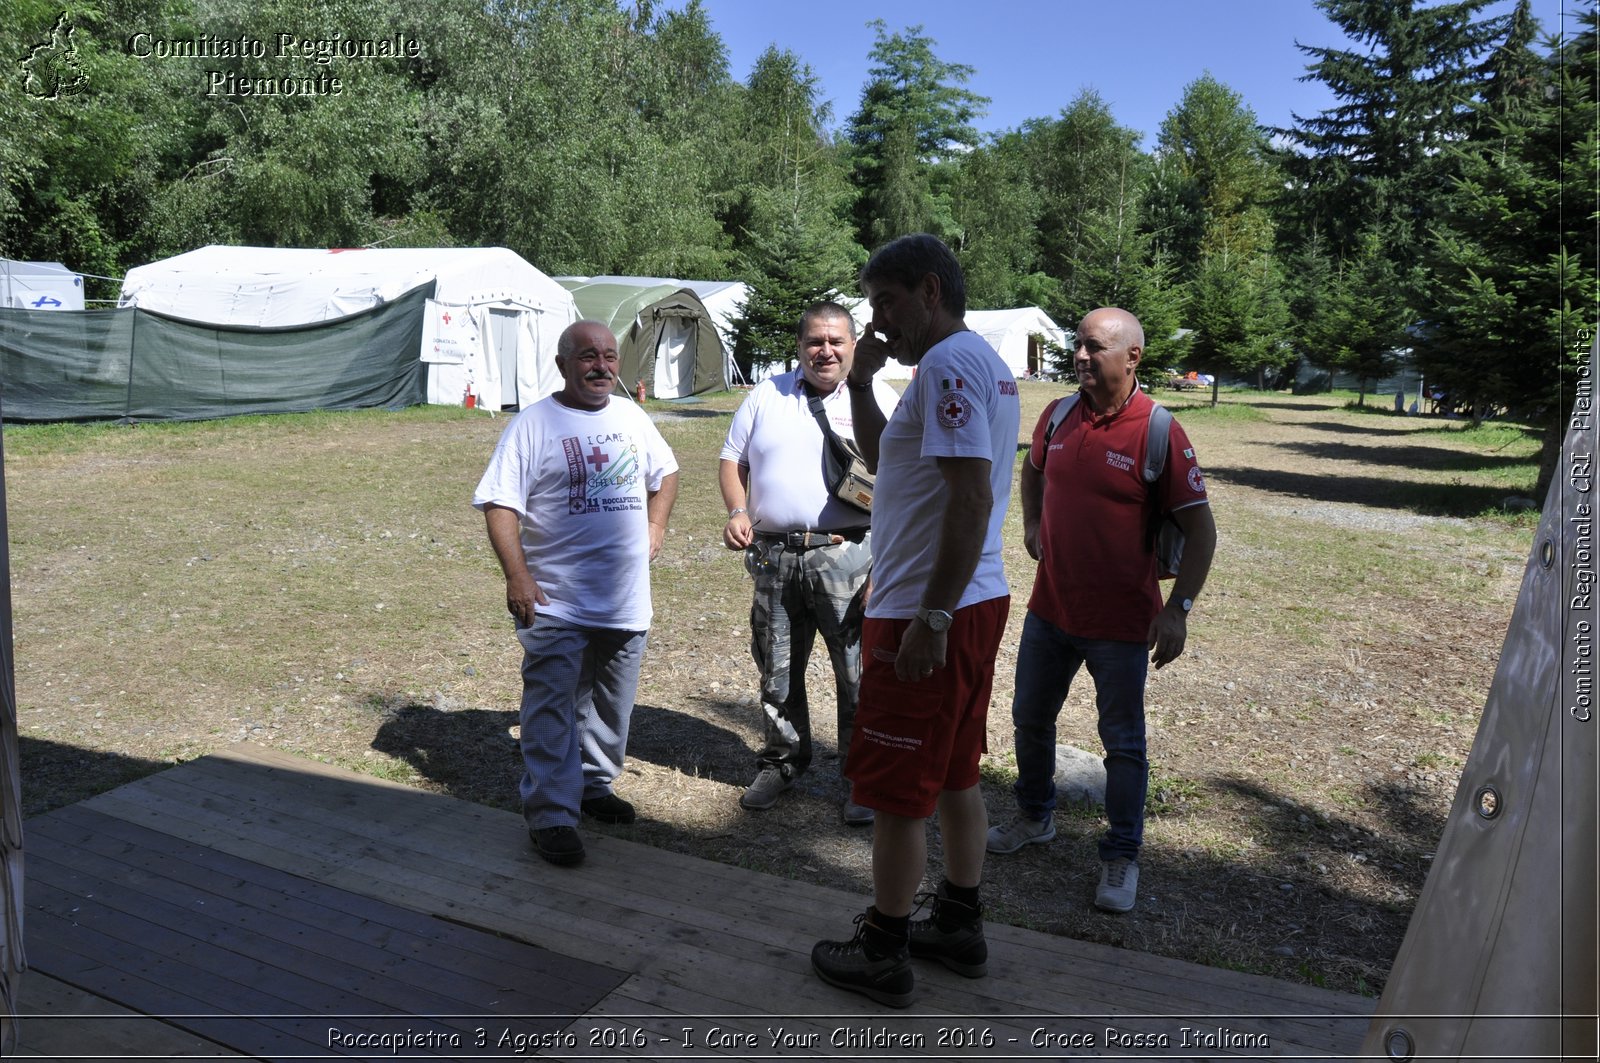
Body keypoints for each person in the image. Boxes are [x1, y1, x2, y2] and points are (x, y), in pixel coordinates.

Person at [809, 234, 1020, 1007]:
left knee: (897, 787)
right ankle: (959, 922)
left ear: (930, 290)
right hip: (967, 597)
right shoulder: (976, 365)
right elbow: (888, 461)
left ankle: (884, 945)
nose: (877, 322)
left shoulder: (951, 365)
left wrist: (931, 613)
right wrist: (862, 385)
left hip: (932, 606)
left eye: (886, 304)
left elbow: (970, 497)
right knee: (957, 769)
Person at [987, 307, 1217, 913]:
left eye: (1094, 348)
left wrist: (1178, 610)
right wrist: (1033, 522)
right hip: (1050, 611)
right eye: (1077, 348)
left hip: (1121, 626)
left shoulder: (1160, 432)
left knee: (1122, 744)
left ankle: (1120, 855)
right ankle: (1036, 816)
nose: (1081, 358)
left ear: (1132, 357)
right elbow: (1031, 471)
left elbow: (1203, 533)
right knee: (1030, 719)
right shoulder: (1058, 414)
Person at [473, 320, 679, 867]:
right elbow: (499, 504)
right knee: (553, 707)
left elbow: (667, 472)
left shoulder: (630, 416)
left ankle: (592, 786)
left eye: (609, 356)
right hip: (556, 600)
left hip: (625, 599)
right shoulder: (533, 424)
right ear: (563, 364)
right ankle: (551, 814)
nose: (601, 366)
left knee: (610, 705)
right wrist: (517, 576)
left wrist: (656, 525)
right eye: (588, 356)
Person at [719, 302, 900, 824]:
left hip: (849, 555)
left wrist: (884, 567)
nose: (825, 351)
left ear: (852, 346)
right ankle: (781, 761)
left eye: (836, 342)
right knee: (776, 671)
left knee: (856, 674)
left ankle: (860, 778)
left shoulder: (878, 398)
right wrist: (737, 509)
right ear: (799, 347)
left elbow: (903, 486)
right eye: (815, 342)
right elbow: (734, 459)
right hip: (775, 557)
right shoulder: (766, 395)